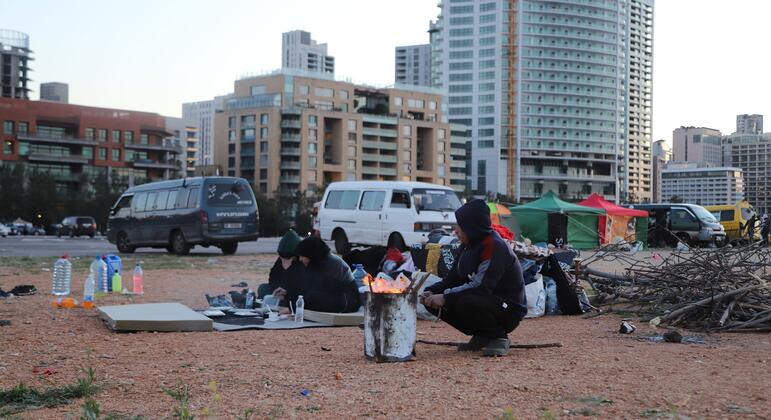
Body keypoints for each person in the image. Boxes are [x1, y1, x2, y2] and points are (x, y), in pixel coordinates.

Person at [421, 199, 527, 357]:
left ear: (472, 227)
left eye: (460, 226)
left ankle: (498, 337)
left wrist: (445, 297)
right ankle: (482, 335)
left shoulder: (494, 246)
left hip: (508, 309)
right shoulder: (467, 245)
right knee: (432, 302)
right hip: (486, 300)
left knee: (465, 300)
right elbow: (451, 279)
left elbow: (482, 287)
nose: (456, 231)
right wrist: (430, 291)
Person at [275, 236, 360, 313]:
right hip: (336, 299)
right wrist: (288, 293)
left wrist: (293, 308)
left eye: (302, 256)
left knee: (313, 297)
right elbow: (307, 288)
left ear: (311, 255)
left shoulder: (333, 264)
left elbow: (322, 293)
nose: (300, 259)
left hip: (348, 301)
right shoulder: (316, 263)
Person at [258, 230, 304, 303]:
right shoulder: (280, 259)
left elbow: (301, 285)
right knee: (263, 288)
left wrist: (288, 269)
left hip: (294, 294)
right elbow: (273, 277)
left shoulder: (302, 262)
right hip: (280, 291)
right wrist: (277, 288)